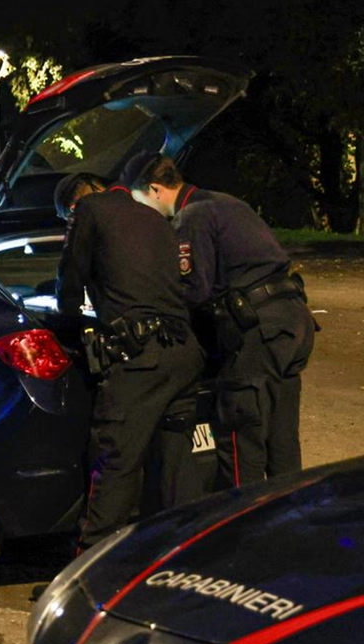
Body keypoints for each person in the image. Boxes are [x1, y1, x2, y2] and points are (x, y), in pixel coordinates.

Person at [129, 154, 316, 487]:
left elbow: (195, 289)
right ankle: (288, 520)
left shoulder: (191, 216)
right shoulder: (227, 203)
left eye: (140, 200)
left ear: (155, 189)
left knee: (241, 434)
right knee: (281, 436)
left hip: (256, 330)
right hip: (292, 322)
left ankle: (241, 528)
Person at [54, 172, 205, 550]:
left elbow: (70, 278)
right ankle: (185, 555)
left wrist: (69, 323)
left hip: (140, 358)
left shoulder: (88, 209)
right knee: (175, 462)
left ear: (75, 203)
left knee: (115, 458)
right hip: (184, 352)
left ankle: (89, 570)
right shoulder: (156, 216)